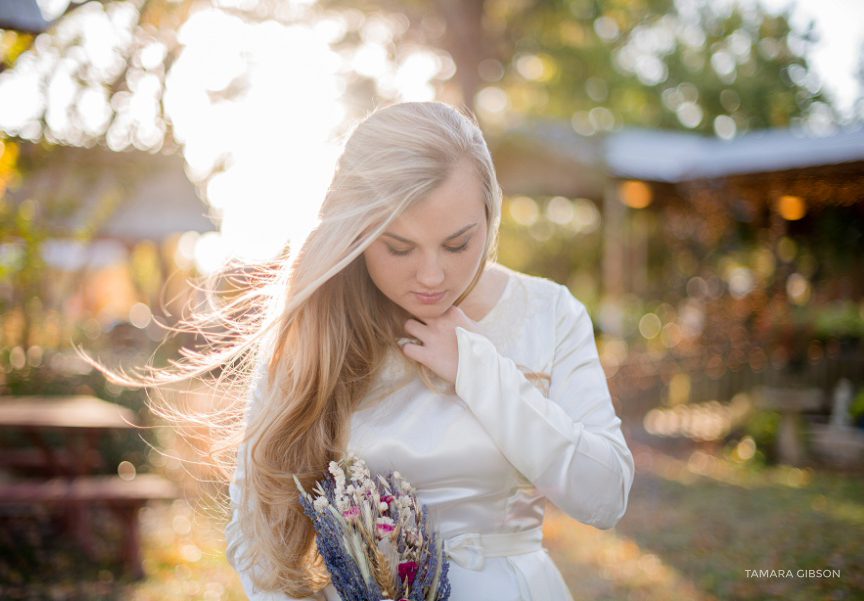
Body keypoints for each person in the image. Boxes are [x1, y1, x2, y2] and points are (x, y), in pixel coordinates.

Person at [215, 101, 634, 601]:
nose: (432, 276)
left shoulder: (547, 311)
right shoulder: (315, 328)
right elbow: (252, 524)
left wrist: (477, 370)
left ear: (490, 214)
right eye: (399, 248)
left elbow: (605, 499)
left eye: (457, 244)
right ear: (356, 233)